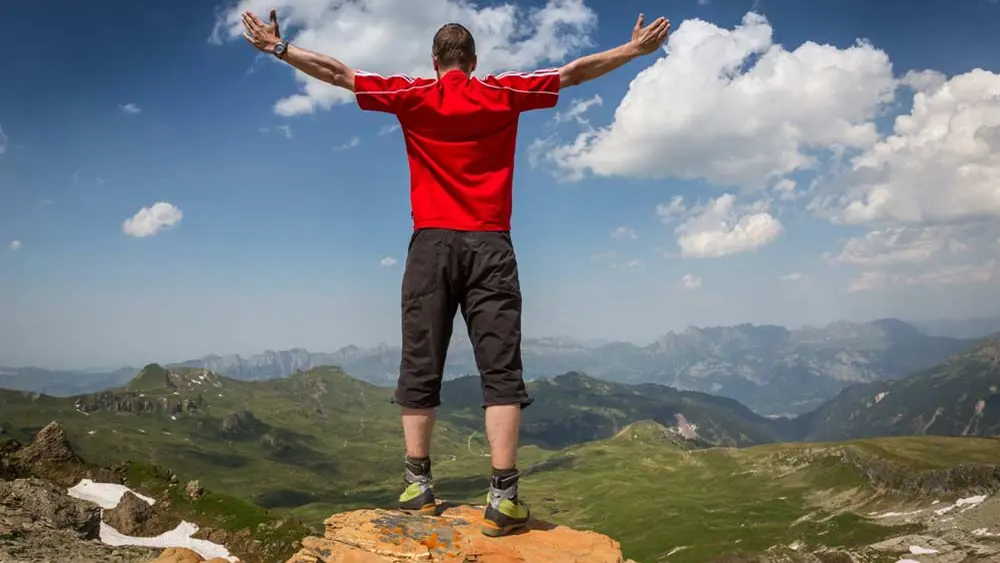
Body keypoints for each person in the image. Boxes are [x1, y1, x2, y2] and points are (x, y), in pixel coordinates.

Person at [240, 9, 670, 537]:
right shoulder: (503, 91)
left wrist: (279, 50)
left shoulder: (411, 93)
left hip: (430, 245)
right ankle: (503, 498)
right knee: (501, 371)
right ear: (474, 61)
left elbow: (338, 73)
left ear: (435, 62)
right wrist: (632, 52)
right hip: (490, 242)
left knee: (421, 362)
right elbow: (572, 72)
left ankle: (418, 487)